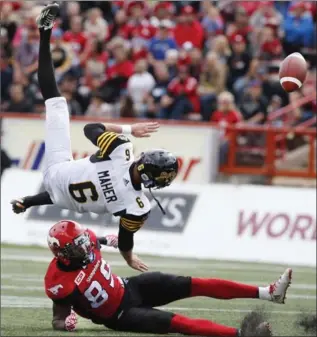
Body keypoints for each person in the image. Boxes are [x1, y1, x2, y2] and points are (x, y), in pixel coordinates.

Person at [10, 3, 179, 273]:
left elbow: (91, 129)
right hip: (62, 193)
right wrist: (128, 259)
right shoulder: (138, 205)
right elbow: (124, 241)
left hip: (59, 171)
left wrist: (128, 130)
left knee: (56, 103)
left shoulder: (122, 151)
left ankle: (45, 33)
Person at [44, 219, 292, 336]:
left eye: (83, 241)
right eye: (78, 246)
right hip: (121, 315)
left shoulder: (85, 242)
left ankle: (269, 292)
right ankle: (242, 335)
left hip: (131, 287)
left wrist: (111, 240)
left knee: (196, 283)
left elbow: (100, 240)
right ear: (63, 253)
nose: (85, 246)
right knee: (180, 323)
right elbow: (58, 318)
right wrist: (65, 324)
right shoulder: (60, 282)